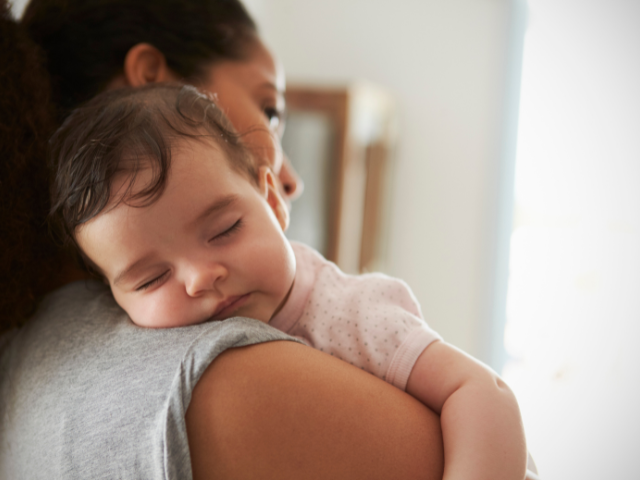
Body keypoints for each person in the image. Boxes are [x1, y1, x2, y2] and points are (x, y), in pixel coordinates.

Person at [1, 1, 447, 478]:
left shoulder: (20, 364)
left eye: (224, 229)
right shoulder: (225, 381)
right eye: (270, 110)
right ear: (153, 79)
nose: (291, 181)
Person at [49, 83, 529, 480]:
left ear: (273, 202)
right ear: (112, 296)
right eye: (152, 279)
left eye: (224, 230)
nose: (199, 278)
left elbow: (483, 392)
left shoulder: (350, 310)